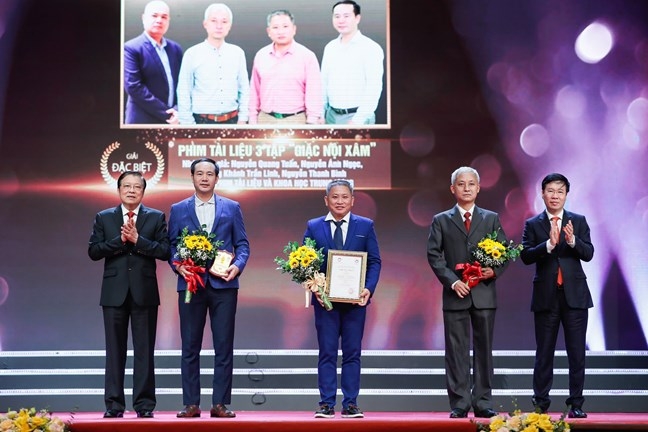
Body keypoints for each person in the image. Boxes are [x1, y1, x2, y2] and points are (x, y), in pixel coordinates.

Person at [168, 157, 250, 418]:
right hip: (191, 284)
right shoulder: (178, 209)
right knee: (190, 345)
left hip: (223, 285)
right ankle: (191, 404)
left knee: (223, 345)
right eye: (199, 173)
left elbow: (242, 245)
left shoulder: (232, 207)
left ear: (217, 178)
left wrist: (237, 266)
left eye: (209, 174)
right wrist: (178, 266)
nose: (204, 178)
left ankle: (220, 404)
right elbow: (172, 245)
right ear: (192, 177)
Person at [426, 166, 510, 419]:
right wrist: (453, 282)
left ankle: (483, 401)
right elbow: (434, 255)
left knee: (484, 349)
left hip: (484, 294)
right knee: (456, 351)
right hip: (456, 294)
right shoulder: (441, 220)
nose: (466, 188)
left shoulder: (491, 218)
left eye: (471, 183)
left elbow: (504, 252)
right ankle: (460, 402)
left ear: (478, 187)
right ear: (453, 189)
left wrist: (493, 271)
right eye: (461, 184)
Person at [88, 171, 171, 419]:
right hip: (114, 293)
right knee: (114, 351)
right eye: (127, 186)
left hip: (145, 293)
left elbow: (165, 251)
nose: (132, 190)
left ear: (143, 191)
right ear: (119, 190)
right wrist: (120, 241)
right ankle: (114, 405)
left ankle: (144, 405)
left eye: (137, 187)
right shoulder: (104, 217)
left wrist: (138, 240)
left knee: (144, 351)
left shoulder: (156, 217)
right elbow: (94, 251)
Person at [304, 179, 381, 419]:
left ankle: (350, 404)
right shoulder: (314, 226)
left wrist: (368, 289)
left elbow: (374, 261)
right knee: (327, 353)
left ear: (353, 200)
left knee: (352, 353)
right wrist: (314, 287)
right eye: (335, 197)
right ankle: (326, 404)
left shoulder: (365, 225)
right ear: (326, 200)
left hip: (355, 303)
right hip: (325, 303)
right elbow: (304, 261)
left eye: (344, 197)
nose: (340, 201)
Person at [521, 173, 594, 419]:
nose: (555, 195)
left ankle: (576, 403)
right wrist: (549, 245)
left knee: (577, 353)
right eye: (550, 191)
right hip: (546, 297)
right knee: (544, 352)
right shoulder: (533, 224)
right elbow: (526, 256)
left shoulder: (578, 221)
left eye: (560, 191)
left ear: (566, 195)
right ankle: (540, 403)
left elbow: (589, 253)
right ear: (542, 193)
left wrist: (572, 241)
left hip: (575, 297)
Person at [176, 3, 249, 125]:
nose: (219, 26)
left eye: (224, 22)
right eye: (214, 21)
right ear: (205, 24)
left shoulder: (237, 53)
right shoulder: (192, 54)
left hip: (233, 120)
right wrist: (188, 124)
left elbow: (244, 88)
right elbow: (184, 90)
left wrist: (243, 118)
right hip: (201, 122)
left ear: (230, 26)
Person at [249, 9, 323, 125]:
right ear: (268, 31)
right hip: (265, 119)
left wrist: (312, 122)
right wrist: (252, 119)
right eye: (275, 27)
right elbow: (254, 91)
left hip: (296, 119)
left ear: (294, 29)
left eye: (285, 26)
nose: (280, 31)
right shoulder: (261, 55)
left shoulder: (307, 56)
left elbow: (314, 93)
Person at [321, 1, 384, 125]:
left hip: (357, 117)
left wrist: (358, 119)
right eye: (337, 16)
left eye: (346, 16)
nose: (341, 20)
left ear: (357, 18)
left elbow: (374, 87)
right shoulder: (330, 47)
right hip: (331, 116)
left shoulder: (370, 47)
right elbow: (323, 82)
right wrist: (321, 112)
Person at [124, 0, 183, 125]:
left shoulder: (175, 49)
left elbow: (182, 84)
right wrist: (167, 113)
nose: (159, 20)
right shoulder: (131, 48)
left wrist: (178, 110)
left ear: (168, 20)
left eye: (164, 17)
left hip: (173, 120)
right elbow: (134, 87)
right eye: (154, 16)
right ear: (143, 18)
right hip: (142, 121)